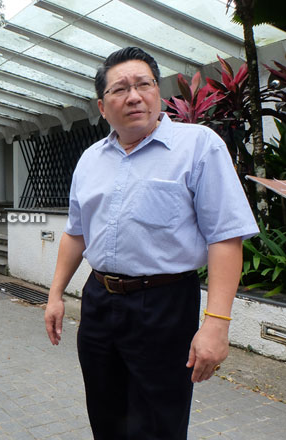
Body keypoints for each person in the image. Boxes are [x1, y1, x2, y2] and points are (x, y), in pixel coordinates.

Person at [44, 47, 258, 440]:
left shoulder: (199, 146)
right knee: (105, 416)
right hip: (99, 301)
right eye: (120, 89)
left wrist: (217, 324)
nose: (134, 96)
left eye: (144, 85)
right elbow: (76, 232)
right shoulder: (90, 159)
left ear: (158, 92)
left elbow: (225, 236)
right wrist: (56, 294)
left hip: (164, 304)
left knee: (159, 423)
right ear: (102, 106)